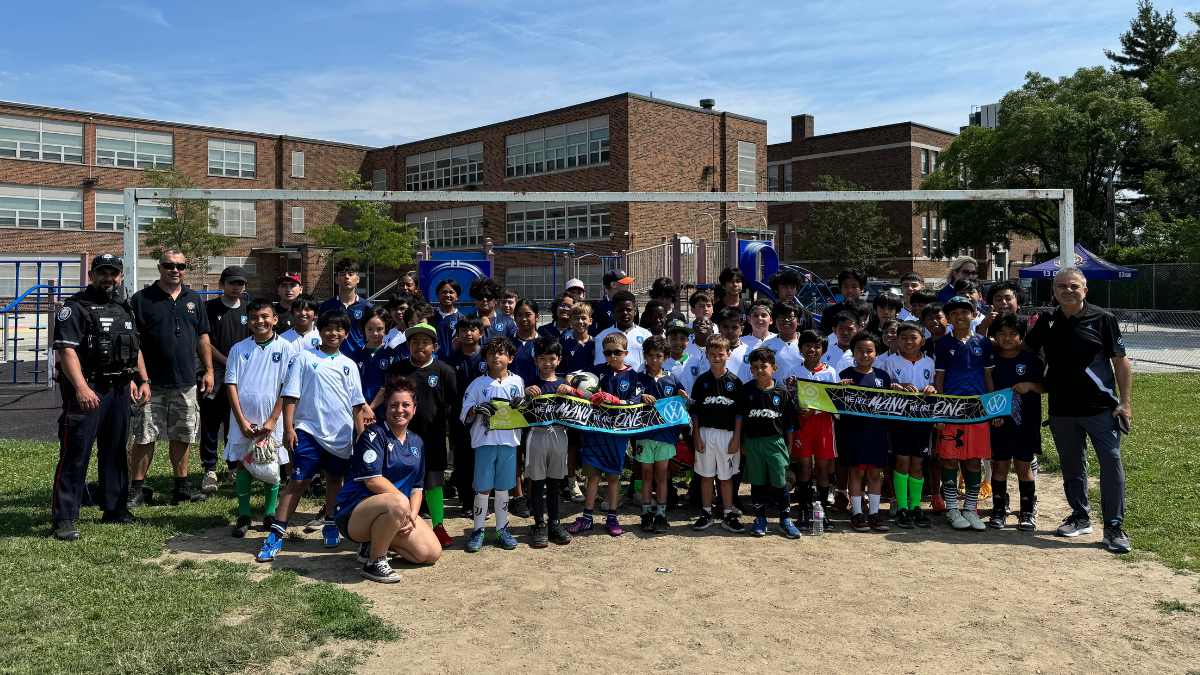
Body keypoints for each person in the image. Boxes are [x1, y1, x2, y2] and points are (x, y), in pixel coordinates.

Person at [1024, 267, 1132, 553]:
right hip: (1062, 409)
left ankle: (1114, 527)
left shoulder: (1103, 319)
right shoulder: (1046, 321)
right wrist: (1037, 385)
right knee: (1072, 466)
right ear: (1054, 291)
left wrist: (1125, 402)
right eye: (1062, 286)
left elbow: (1121, 362)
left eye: (1074, 286)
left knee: (1111, 463)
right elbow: (1025, 354)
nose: (1068, 291)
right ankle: (1080, 516)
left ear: (1085, 290)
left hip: (1101, 408)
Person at [50, 254, 150, 540]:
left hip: (120, 390)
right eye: (103, 273)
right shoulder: (76, 307)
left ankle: (115, 508)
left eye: (114, 273)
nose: (109, 278)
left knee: (115, 451)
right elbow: (66, 350)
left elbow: (135, 347)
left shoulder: (123, 307)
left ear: (120, 276)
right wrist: (81, 388)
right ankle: (65, 518)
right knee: (75, 453)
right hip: (89, 390)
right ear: (92, 274)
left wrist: (141, 379)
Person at [256, 310, 369, 563]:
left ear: (346, 334)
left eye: (339, 329)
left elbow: (356, 405)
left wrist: (361, 435)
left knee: (334, 480)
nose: (333, 333)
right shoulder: (305, 358)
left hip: (340, 436)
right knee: (297, 481)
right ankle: (276, 533)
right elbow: (291, 395)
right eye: (328, 328)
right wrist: (288, 428)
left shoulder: (349, 365)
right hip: (308, 431)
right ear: (320, 331)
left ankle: (330, 522)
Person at [128, 250, 215, 507]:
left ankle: (182, 488)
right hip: (151, 385)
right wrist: (140, 377)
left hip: (186, 383)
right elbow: (135, 345)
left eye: (180, 266)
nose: (174, 270)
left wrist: (209, 370)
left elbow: (203, 338)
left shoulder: (194, 300)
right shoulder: (142, 300)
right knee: (144, 437)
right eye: (169, 265)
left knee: (183, 435)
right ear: (159, 267)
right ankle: (137, 490)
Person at [334, 379, 442, 583]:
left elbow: (417, 488)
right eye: (393, 405)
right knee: (398, 502)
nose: (399, 410)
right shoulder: (373, 435)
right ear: (386, 407)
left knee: (430, 553)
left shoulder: (417, 442)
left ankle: (376, 541)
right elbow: (373, 481)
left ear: (414, 408)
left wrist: (412, 515)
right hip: (353, 514)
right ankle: (375, 561)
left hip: (396, 511)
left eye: (405, 405)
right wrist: (404, 507)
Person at [380, 322, 459, 548]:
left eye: (425, 342)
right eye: (414, 342)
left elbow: (453, 405)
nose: (419, 347)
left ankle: (438, 526)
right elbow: (388, 399)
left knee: (434, 482)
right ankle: (400, 523)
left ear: (434, 346)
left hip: (433, 437)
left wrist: (452, 434)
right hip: (402, 436)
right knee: (402, 479)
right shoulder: (398, 370)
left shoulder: (444, 371)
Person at [224, 300, 292, 538]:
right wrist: (241, 421)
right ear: (248, 321)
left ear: (275, 319)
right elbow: (230, 384)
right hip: (243, 420)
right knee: (244, 462)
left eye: (265, 316)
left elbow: (288, 387)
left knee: (270, 462)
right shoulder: (238, 349)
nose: (259, 321)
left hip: (272, 420)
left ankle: (270, 513)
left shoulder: (286, 348)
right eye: (254, 317)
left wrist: (273, 419)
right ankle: (243, 514)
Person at [569, 332, 643, 538]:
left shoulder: (633, 375)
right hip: (595, 433)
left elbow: (635, 402)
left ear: (626, 353)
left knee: (612, 477)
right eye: (607, 353)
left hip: (616, 435)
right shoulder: (597, 372)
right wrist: (574, 389)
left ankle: (612, 516)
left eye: (616, 352)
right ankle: (587, 517)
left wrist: (616, 401)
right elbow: (581, 387)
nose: (612, 356)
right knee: (592, 477)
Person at [933, 296, 995, 532]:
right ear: (949, 318)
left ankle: (970, 508)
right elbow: (939, 378)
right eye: (954, 313)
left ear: (973, 314)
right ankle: (951, 508)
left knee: (973, 460)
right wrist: (939, 411)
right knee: (949, 459)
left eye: (965, 312)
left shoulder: (984, 343)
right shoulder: (942, 344)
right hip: (951, 409)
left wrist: (991, 408)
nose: (960, 316)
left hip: (977, 410)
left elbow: (988, 377)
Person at [460, 337, 524, 553]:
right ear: (485, 357)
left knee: (504, 486)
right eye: (491, 353)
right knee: (483, 487)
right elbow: (465, 412)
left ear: (511, 357)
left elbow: (522, 410)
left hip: (508, 441)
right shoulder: (478, 384)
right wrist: (477, 409)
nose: (496, 356)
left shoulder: (517, 382)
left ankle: (502, 528)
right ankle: (478, 529)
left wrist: (521, 406)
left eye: (502, 352)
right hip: (485, 441)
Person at [987, 314, 1045, 531]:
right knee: (999, 467)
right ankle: (999, 510)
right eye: (1001, 333)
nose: (1007, 338)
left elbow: (1045, 386)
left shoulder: (1031, 359)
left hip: (1026, 422)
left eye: (1013, 333)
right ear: (994, 336)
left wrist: (1030, 385)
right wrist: (994, 415)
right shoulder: (991, 359)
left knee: (1023, 467)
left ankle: (1027, 512)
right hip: (1000, 422)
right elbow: (988, 387)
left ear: (1021, 336)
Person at [878, 321, 936, 529]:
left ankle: (915, 506)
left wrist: (931, 388)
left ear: (922, 341)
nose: (909, 342)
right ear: (897, 340)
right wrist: (895, 386)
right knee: (902, 461)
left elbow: (937, 386)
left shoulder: (930, 362)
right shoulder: (889, 362)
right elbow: (879, 385)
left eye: (914, 338)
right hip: (899, 420)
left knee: (918, 464)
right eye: (904, 338)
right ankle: (901, 506)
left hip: (922, 421)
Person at [199, 265, 251, 494]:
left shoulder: (249, 310)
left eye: (240, 283)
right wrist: (225, 359)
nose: (236, 287)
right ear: (221, 285)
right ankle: (209, 469)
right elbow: (204, 340)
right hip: (216, 373)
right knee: (211, 422)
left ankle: (234, 466)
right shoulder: (209, 308)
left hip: (242, 375)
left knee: (236, 423)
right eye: (232, 283)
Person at [740, 347, 801, 538]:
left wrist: (789, 446)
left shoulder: (782, 392)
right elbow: (740, 420)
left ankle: (785, 519)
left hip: (776, 443)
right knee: (757, 482)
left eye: (763, 366)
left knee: (779, 482)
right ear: (751, 369)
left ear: (773, 367)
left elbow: (790, 424)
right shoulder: (747, 390)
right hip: (753, 443)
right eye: (755, 367)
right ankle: (760, 519)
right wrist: (741, 442)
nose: (759, 370)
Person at [837, 332, 895, 533]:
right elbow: (834, 404)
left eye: (869, 351)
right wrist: (839, 389)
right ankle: (857, 513)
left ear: (876, 353)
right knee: (856, 471)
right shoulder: (845, 375)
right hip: (853, 432)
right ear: (853, 352)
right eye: (860, 351)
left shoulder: (883, 377)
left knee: (874, 473)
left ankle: (874, 513)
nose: (865, 355)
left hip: (877, 432)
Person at [522, 337, 575, 547]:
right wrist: (526, 394)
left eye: (551, 358)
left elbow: (585, 401)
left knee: (554, 482)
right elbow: (518, 408)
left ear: (559, 360)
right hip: (537, 435)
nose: (547, 363)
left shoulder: (564, 384)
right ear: (536, 360)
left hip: (560, 435)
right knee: (537, 482)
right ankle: (539, 523)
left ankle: (554, 522)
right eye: (542, 358)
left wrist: (571, 392)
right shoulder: (529, 384)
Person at [689, 335, 744, 533]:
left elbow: (739, 414)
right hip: (705, 433)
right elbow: (694, 412)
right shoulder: (701, 381)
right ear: (707, 355)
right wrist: (696, 436)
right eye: (712, 354)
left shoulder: (736, 383)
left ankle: (728, 512)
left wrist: (737, 438)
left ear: (728, 354)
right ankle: (706, 512)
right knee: (705, 475)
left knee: (726, 477)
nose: (717, 357)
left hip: (727, 435)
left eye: (721, 354)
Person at [784, 329, 837, 531]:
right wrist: (798, 409)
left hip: (824, 424)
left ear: (823, 349)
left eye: (816, 346)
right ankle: (804, 511)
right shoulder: (793, 372)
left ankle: (822, 512)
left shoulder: (830, 372)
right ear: (801, 349)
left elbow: (835, 400)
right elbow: (789, 400)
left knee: (823, 467)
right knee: (804, 467)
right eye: (807, 345)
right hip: (802, 425)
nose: (812, 349)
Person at [635, 336, 684, 534]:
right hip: (645, 434)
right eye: (650, 356)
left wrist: (684, 398)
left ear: (665, 357)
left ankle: (661, 515)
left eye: (659, 356)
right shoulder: (638, 379)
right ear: (645, 356)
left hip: (665, 436)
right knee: (646, 475)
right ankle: (646, 513)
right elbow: (628, 400)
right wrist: (640, 397)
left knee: (662, 475)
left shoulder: (672, 378)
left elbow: (681, 401)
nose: (654, 360)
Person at [445, 317, 486, 509]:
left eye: (473, 329)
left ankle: (482, 500)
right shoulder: (450, 359)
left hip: (485, 417)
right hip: (459, 417)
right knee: (462, 459)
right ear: (458, 334)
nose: (468, 333)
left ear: (481, 333)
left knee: (482, 458)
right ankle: (467, 501)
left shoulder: (487, 358)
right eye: (463, 330)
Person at [319, 259, 374, 356]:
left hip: (359, 356)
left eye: (351, 274)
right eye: (342, 274)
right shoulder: (326, 306)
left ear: (358, 279)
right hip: (331, 356)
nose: (346, 277)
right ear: (336, 279)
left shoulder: (367, 307)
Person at [593, 290, 651, 372]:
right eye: (620, 310)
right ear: (613, 312)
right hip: (613, 382)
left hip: (640, 382)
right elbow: (600, 365)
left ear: (635, 311)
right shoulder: (602, 336)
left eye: (629, 310)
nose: (625, 313)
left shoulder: (646, 335)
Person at [351, 308, 396, 406]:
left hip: (384, 410)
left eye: (379, 329)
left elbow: (389, 385)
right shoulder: (355, 355)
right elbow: (352, 385)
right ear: (364, 329)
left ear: (386, 329)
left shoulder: (391, 354)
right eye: (370, 329)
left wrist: (371, 408)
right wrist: (364, 407)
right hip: (359, 408)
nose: (374, 333)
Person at [820, 268, 867, 335]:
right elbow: (823, 336)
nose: (850, 290)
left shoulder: (870, 311)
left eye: (854, 287)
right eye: (846, 286)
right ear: (840, 288)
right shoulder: (829, 312)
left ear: (862, 288)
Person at [561, 302, 596, 376]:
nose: (580, 321)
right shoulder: (563, 343)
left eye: (583, 318)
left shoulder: (596, 343)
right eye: (576, 318)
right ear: (570, 321)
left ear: (590, 321)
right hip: (569, 385)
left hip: (592, 384)